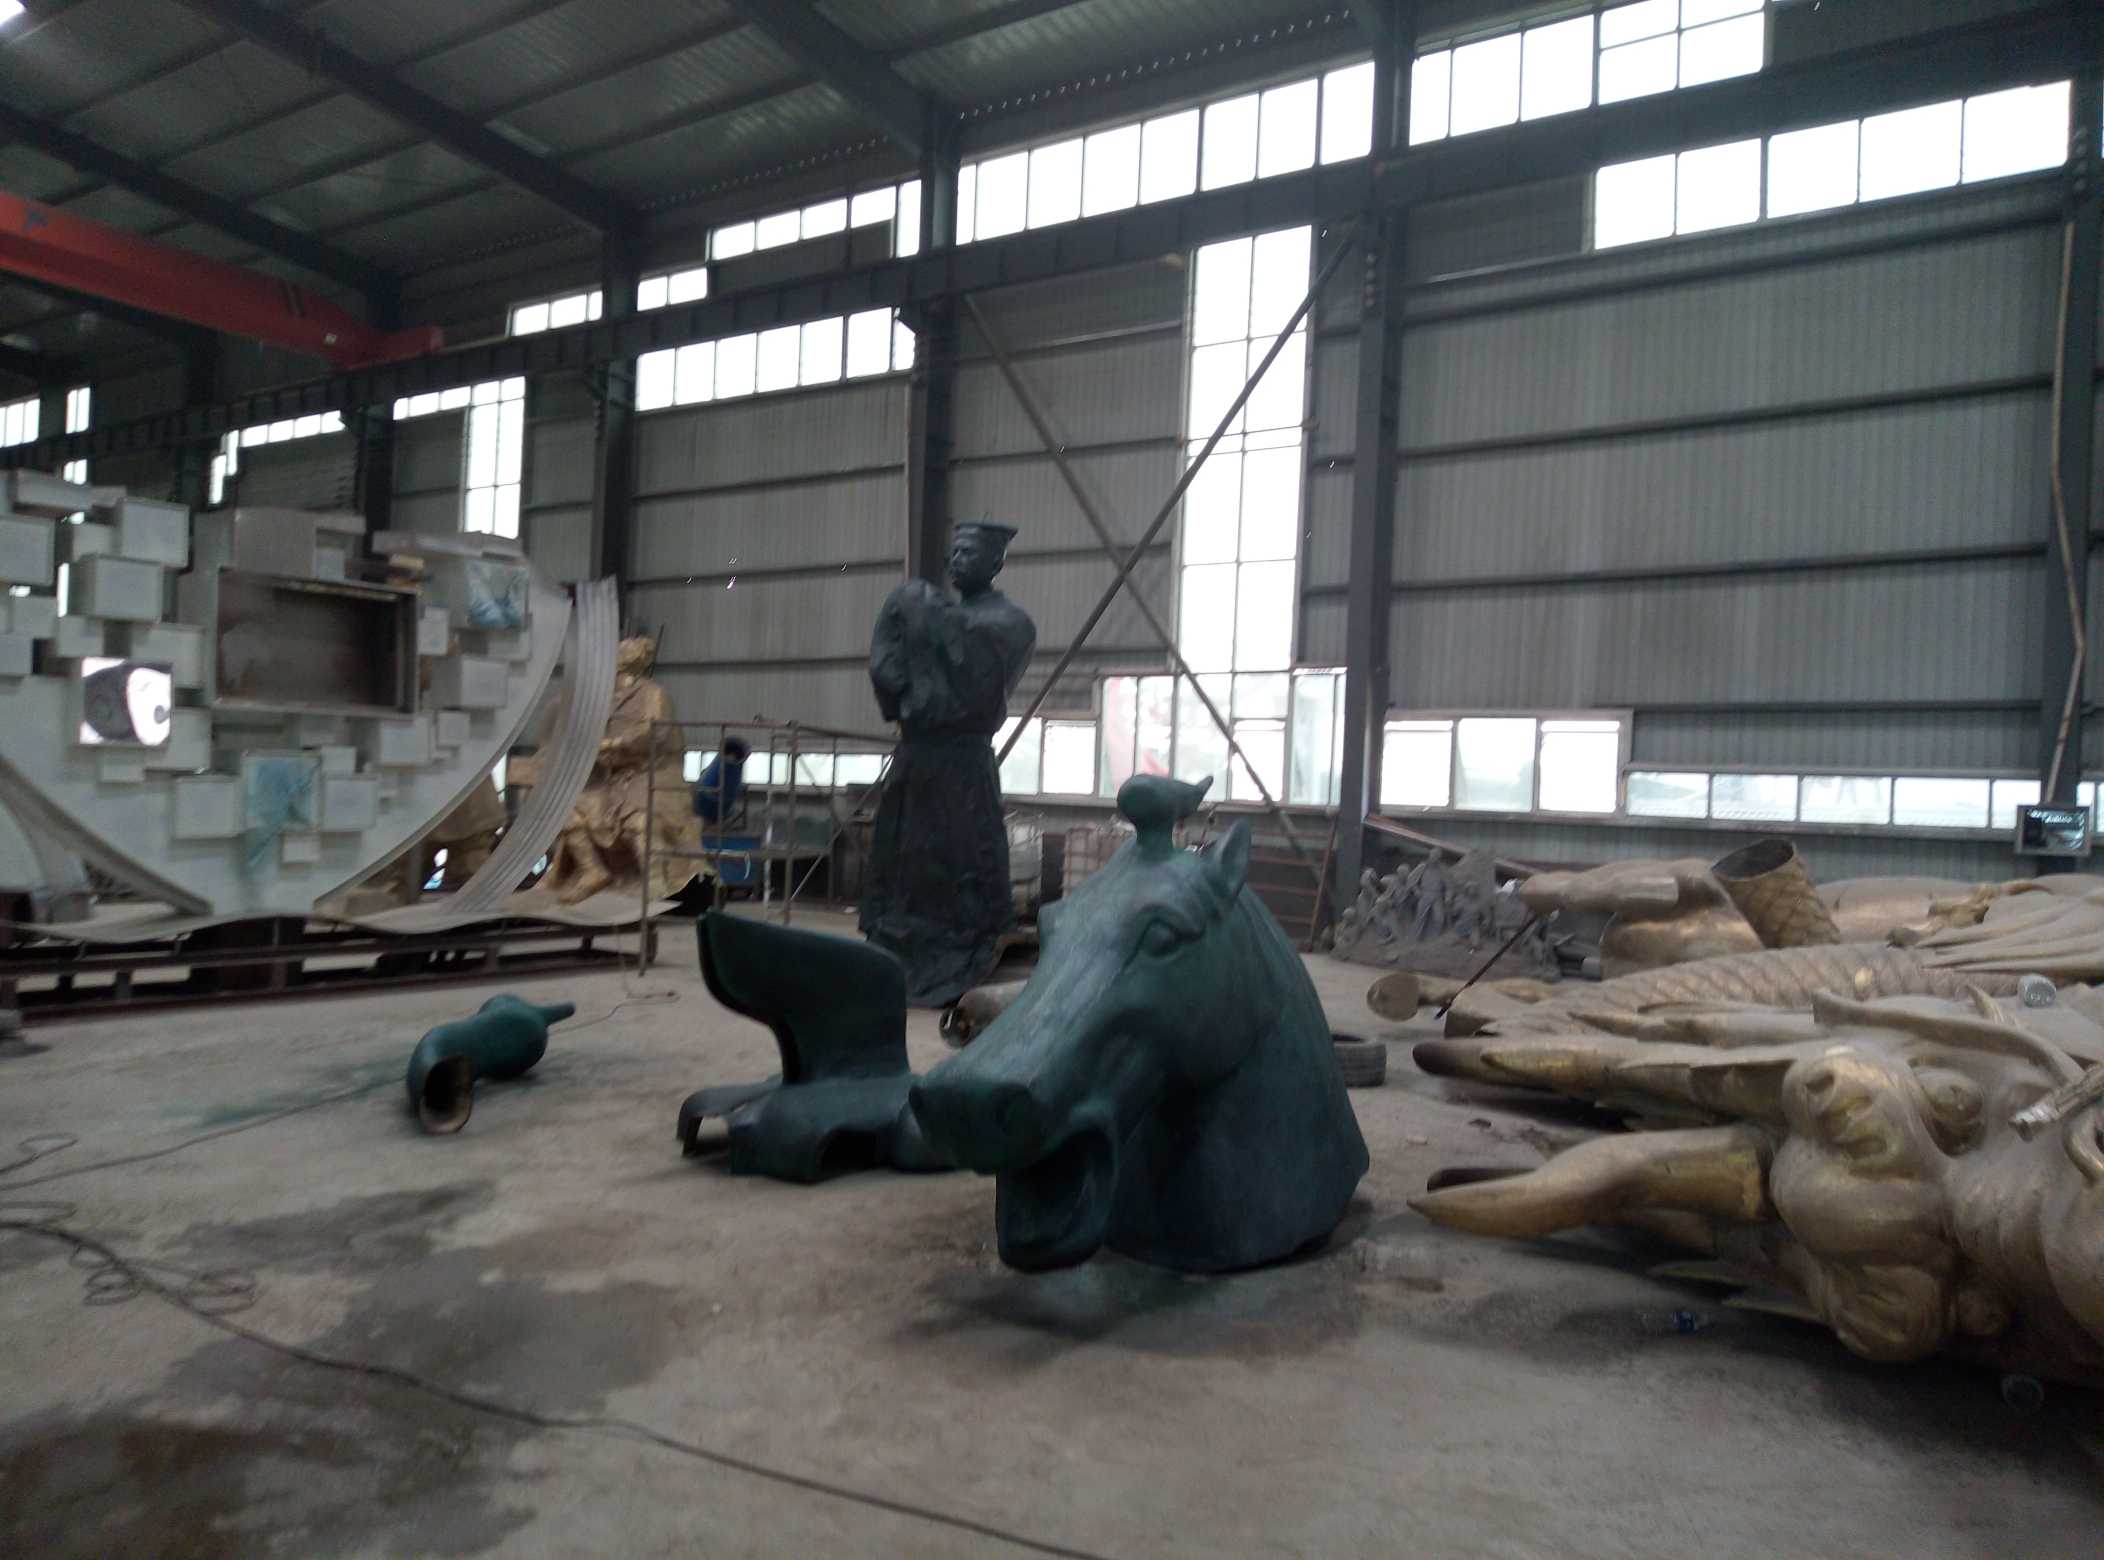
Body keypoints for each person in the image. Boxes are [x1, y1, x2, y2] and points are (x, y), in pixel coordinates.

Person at [860, 522, 1036, 1006]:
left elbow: (972, 660)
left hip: (964, 765)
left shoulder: (1011, 622)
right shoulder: (932, 613)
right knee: (906, 860)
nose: (957, 561)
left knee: (963, 861)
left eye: (969, 553)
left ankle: (962, 948)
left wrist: (919, 610)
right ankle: (898, 944)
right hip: (917, 758)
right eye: (954, 552)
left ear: (996, 563)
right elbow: (890, 666)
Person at [540, 634, 700, 905]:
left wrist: (615, 744)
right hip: (611, 778)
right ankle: (592, 871)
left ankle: (654, 880)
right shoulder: (603, 700)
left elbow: (655, 733)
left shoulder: (653, 694)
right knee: (564, 809)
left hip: (650, 774)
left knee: (638, 819)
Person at [692, 736, 752, 826]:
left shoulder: (717, 774)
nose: (731, 757)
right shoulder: (728, 776)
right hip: (710, 803)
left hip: (712, 803)